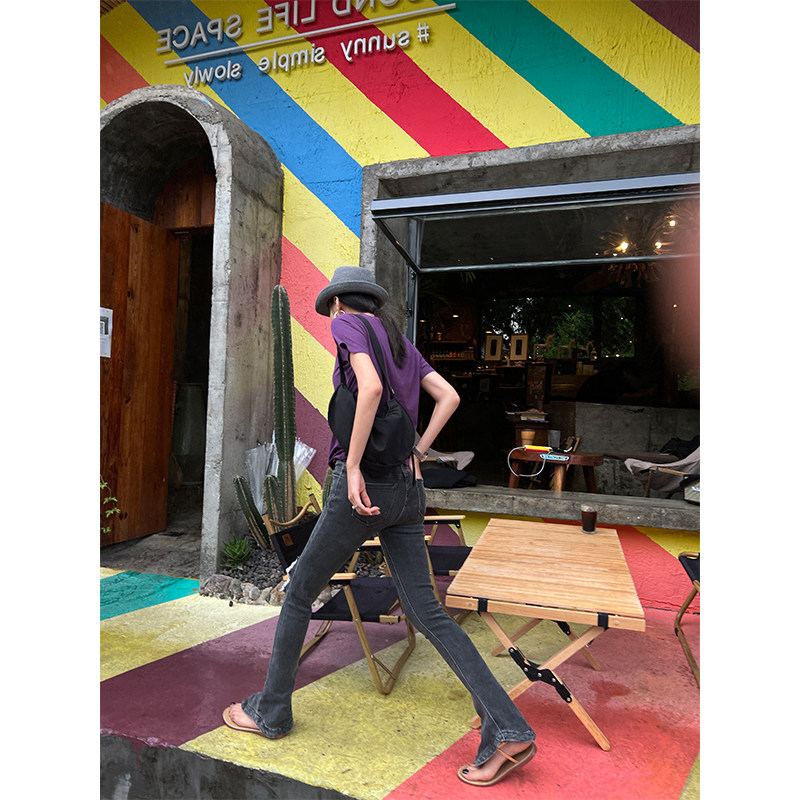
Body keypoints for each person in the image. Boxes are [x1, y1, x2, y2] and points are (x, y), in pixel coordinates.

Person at [223, 266, 536, 787]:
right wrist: (418, 451)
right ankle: (508, 728)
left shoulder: (347, 324)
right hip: (409, 491)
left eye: (331, 310)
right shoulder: (397, 341)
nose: (332, 319)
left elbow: (368, 388)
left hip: (363, 490)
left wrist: (351, 467)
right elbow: (449, 397)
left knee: (299, 592)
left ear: (338, 303)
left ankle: (271, 711)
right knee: (427, 611)